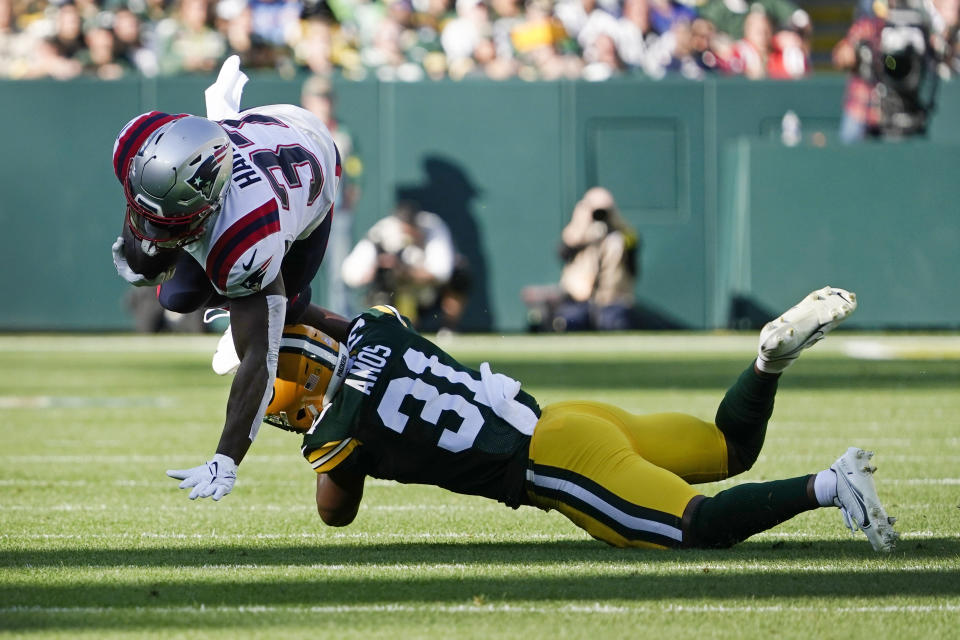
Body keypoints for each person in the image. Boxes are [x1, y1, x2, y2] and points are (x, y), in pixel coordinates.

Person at [192, 286, 899, 552]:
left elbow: (335, 516)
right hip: (567, 417)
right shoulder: (377, 326)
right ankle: (768, 361)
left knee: (697, 527)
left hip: (556, 465)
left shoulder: (335, 435)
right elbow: (326, 317)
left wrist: (315, 428)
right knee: (726, 446)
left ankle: (832, 485)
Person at [112, 55, 342, 501]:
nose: (155, 235)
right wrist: (145, 254)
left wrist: (227, 458)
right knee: (175, 297)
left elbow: (261, 356)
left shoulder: (247, 235)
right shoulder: (136, 143)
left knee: (282, 310)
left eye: (171, 224)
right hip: (244, 142)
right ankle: (222, 116)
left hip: (309, 165)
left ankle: (360, 332)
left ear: (211, 207)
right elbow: (143, 203)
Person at [340, 201, 470, 334]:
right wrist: (377, 267)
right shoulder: (381, 233)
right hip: (391, 295)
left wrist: (407, 273)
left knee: (460, 275)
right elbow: (351, 274)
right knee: (384, 281)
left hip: (430, 293)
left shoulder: (432, 227)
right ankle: (385, 328)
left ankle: (448, 328)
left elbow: (442, 273)